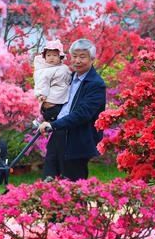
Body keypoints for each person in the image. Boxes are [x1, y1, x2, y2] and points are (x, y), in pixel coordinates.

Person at [38, 39, 106, 181]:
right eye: (74, 56)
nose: (77, 60)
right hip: (58, 135)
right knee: (47, 181)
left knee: (72, 187)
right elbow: (60, 105)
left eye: (82, 57)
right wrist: (46, 110)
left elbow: (82, 114)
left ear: (92, 59)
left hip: (78, 141)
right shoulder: (68, 78)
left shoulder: (96, 84)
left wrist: (53, 125)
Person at [33, 39, 72, 122]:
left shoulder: (63, 67)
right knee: (53, 114)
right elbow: (42, 83)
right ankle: (42, 120)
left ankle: (45, 121)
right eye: (48, 55)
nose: (51, 58)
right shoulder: (45, 70)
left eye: (54, 55)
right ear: (44, 57)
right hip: (52, 98)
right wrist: (41, 94)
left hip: (61, 97)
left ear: (60, 57)